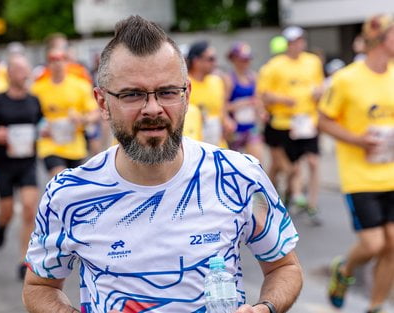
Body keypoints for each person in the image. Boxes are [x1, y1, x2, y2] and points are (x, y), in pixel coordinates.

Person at [23, 15, 302, 313]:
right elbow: (40, 286)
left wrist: (265, 308)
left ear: (187, 95)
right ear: (102, 103)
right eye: (132, 94)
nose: (153, 108)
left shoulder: (239, 175)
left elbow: (284, 267)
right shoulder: (68, 194)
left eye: (168, 92)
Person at [319, 13, 394, 313]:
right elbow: (323, 121)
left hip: (391, 173)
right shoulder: (346, 79)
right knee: (374, 244)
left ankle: (376, 305)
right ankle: (344, 269)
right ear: (381, 37)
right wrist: (358, 140)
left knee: (393, 245)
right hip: (359, 176)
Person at [0, 54, 42, 280]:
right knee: (7, 210)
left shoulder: (34, 100)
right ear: (10, 74)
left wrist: (46, 131)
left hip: (27, 163)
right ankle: (1, 227)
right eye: (21, 70)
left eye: (27, 70)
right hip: (3, 164)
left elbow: (42, 124)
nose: (25, 74)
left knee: (30, 209)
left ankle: (24, 260)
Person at [257, 26, 324, 226]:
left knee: (312, 162)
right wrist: (283, 100)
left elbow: (320, 86)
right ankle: (278, 195)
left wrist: (319, 94)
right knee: (286, 166)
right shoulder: (275, 66)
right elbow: (263, 94)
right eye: (293, 42)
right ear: (287, 44)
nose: (297, 45)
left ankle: (310, 203)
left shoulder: (313, 62)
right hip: (282, 122)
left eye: (300, 40)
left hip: (307, 121)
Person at [31, 47, 100, 178]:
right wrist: (41, 128)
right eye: (53, 60)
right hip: (50, 144)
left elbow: (95, 113)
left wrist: (83, 119)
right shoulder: (38, 88)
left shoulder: (80, 86)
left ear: (67, 62)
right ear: (48, 64)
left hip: (75, 144)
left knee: (73, 188)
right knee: (61, 178)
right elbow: (31, 116)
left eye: (61, 59)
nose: (57, 63)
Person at [187, 40, 233, 147]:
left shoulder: (216, 81)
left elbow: (221, 110)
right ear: (196, 61)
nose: (215, 63)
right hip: (195, 148)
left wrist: (226, 121)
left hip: (218, 145)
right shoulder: (183, 83)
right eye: (211, 59)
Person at [223, 41, 265, 162]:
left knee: (257, 162)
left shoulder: (253, 77)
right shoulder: (228, 79)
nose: (246, 63)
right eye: (242, 59)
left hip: (251, 126)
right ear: (234, 59)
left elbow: (258, 100)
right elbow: (223, 107)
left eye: (248, 59)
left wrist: (261, 111)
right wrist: (241, 104)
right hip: (235, 129)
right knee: (235, 165)